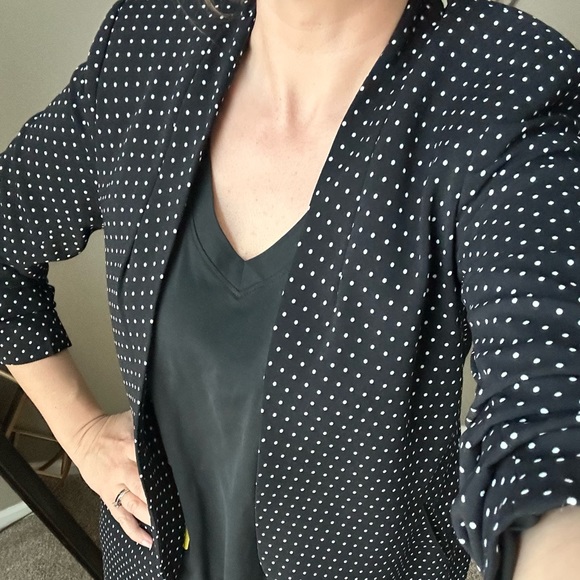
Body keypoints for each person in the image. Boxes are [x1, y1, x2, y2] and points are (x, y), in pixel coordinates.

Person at [1, 0, 579, 578]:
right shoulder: (152, 39)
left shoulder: (503, 84)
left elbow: (549, 417)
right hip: (152, 558)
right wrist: (81, 432)